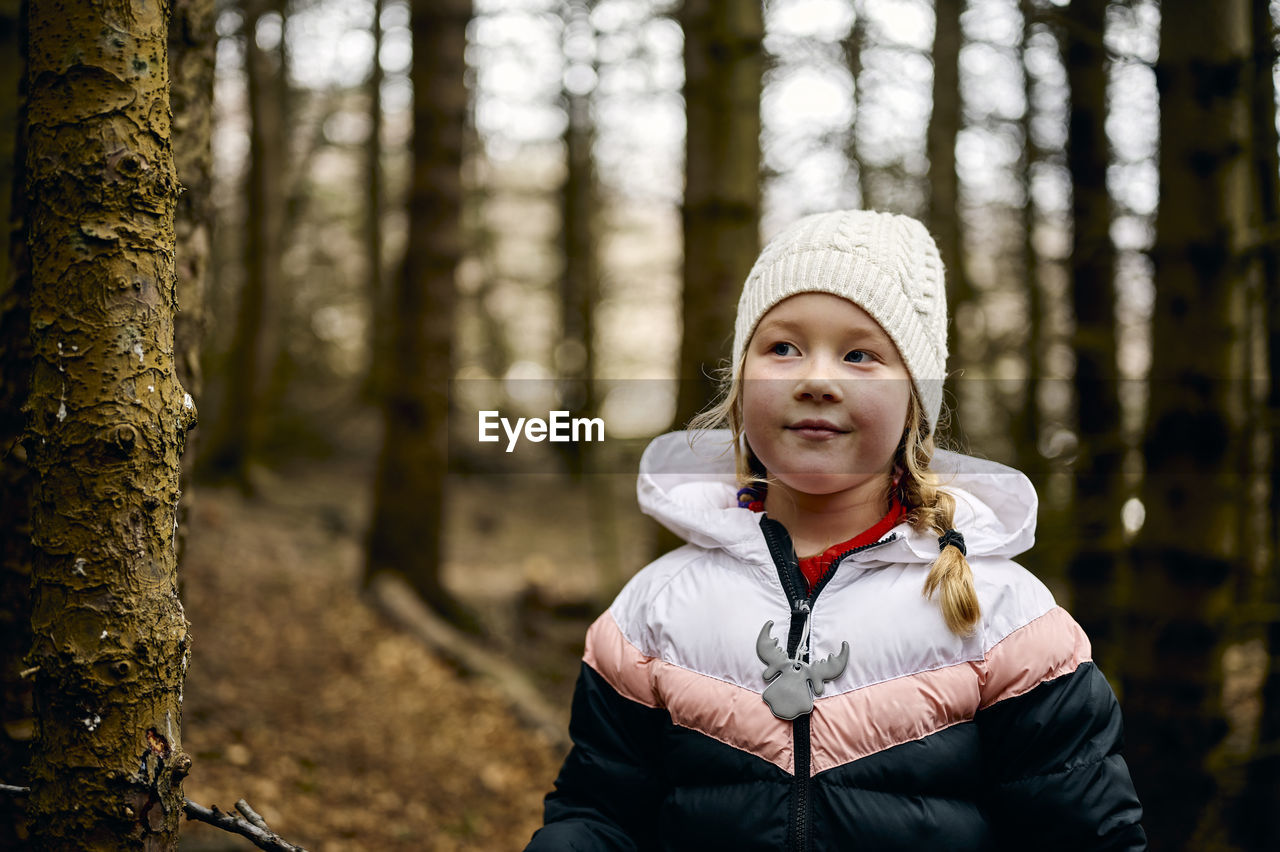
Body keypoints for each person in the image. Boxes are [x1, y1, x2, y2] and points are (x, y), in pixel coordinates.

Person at [526, 210, 1146, 851]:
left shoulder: (1008, 620)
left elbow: (1088, 838)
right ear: (741, 384)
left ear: (914, 403)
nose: (817, 380)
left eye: (860, 355)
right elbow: (599, 809)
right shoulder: (654, 610)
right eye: (783, 348)